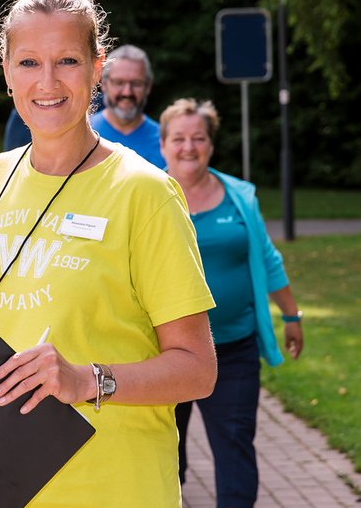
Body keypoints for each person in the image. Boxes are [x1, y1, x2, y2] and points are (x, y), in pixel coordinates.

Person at [0, 0, 217, 507]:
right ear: (7, 72)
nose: (48, 81)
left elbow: (197, 368)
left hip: (110, 489)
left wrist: (85, 380)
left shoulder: (145, 193)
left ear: (97, 68)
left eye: (68, 61)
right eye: (29, 62)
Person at [159, 98, 305, 508]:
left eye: (198, 138)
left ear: (211, 144)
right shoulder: (144, 195)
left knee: (235, 445)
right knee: (165, 453)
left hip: (234, 349)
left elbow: (267, 259)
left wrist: (291, 315)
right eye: (179, 138)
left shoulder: (239, 196)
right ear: (164, 144)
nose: (189, 147)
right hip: (163, 351)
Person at [89, 44, 166, 168]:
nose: (127, 92)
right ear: (103, 83)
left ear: (148, 87)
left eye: (136, 84)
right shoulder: (82, 134)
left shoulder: (167, 142)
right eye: (119, 83)